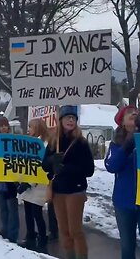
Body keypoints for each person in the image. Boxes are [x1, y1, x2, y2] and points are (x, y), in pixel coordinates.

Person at [42, 105, 94, 259]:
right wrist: (52, 160)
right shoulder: (53, 141)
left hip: (75, 191)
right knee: (63, 230)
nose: (71, 120)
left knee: (75, 230)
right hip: (58, 191)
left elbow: (89, 170)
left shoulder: (81, 143)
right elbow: (44, 166)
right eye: (67, 117)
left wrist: (66, 168)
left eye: (73, 118)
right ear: (61, 120)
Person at [104, 105, 140, 259]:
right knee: (127, 248)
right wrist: (126, 147)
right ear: (122, 123)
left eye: (136, 113)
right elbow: (111, 166)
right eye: (130, 114)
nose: (134, 113)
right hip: (124, 203)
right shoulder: (116, 142)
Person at [18, 118, 50, 250]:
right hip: (27, 183)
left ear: (37, 128)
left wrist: (29, 182)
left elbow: (41, 167)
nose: (28, 129)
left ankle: (43, 238)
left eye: (30, 127)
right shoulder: (29, 143)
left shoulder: (44, 145)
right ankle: (30, 235)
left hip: (39, 185)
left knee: (36, 212)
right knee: (28, 212)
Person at [0, 116, 20, 243]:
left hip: (10, 180)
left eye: (6, 125)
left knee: (12, 209)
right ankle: (4, 229)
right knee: (3, 207)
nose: (4, 128)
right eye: (1, 126)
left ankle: (13, 234)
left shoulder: (14, 141)